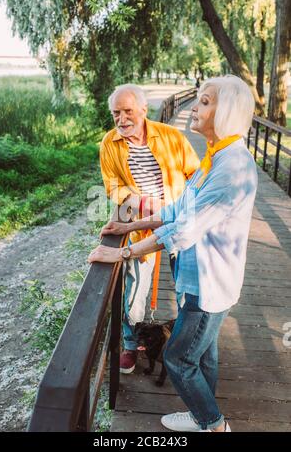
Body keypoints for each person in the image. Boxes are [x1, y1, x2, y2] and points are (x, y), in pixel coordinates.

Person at [88, 75, 258, 432]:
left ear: (226, 111)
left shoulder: (230, 168)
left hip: (209, 283)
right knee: (205, 352)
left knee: (178, 358)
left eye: (205, 102)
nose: (194, 107)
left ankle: (212, 424)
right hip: (198, 275)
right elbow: (179, 206)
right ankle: (202, 415)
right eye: (197, 100)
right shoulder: (218, 155)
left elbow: (182, 229)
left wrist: (121, 254)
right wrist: (129, 225)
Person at [99, 84, 200, 374]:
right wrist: (139, 202)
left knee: (186, 288)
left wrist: (176, 206)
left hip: (180, 224)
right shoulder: (110, 143)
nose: (121, 119)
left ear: (143, 110)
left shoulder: (170, 137)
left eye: (128, 111)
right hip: (142, 226)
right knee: (134, 290)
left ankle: (182, 350)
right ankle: (131, 346)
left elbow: (195, 174)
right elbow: (112, 185)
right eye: (116, 113)